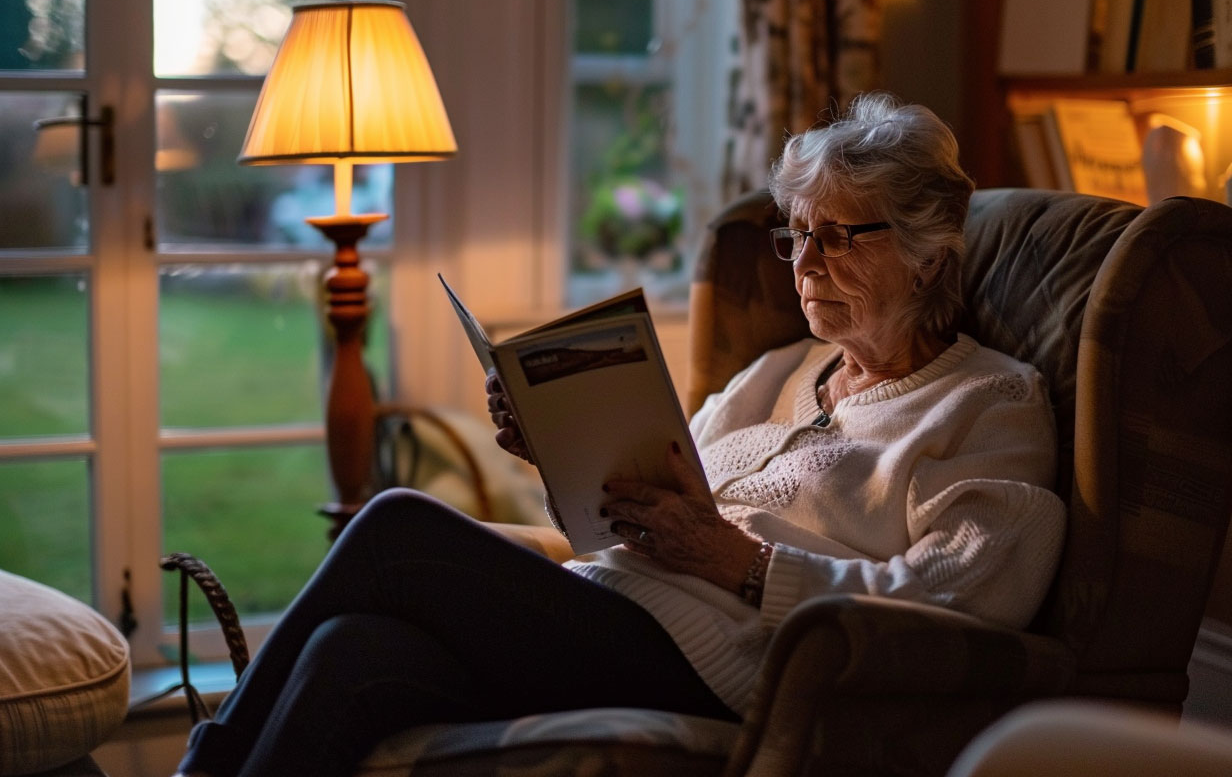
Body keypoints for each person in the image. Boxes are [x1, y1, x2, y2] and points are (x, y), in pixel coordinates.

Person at [173, 92, 1066, 777]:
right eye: (794, 236)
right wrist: (558, 445)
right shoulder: (780, 373)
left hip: (722, 664)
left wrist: (744, 566)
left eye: (838, 236)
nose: (804, 265)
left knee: (397, 527)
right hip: (609, 607)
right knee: (351, 654)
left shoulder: (990, 405)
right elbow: (644, 494)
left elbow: (962, 602)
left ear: (930, 251)